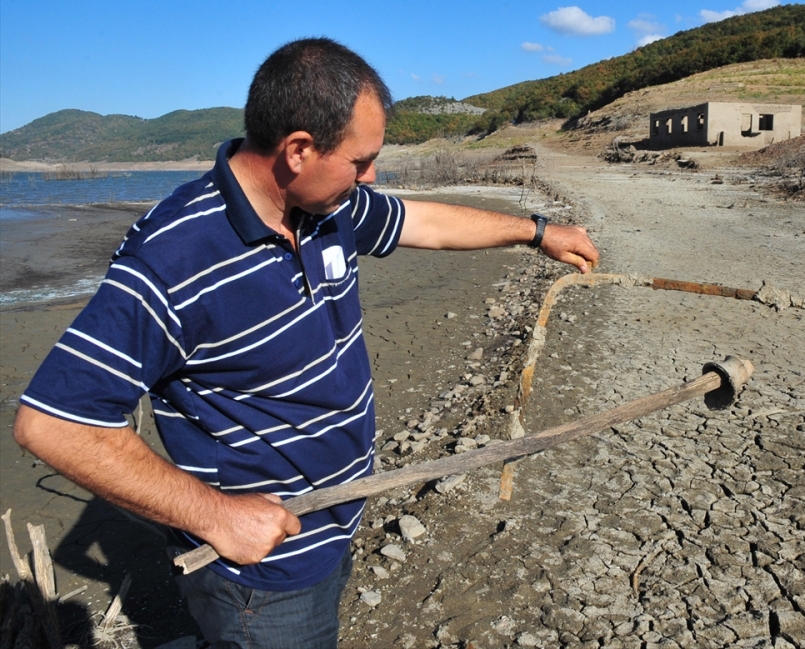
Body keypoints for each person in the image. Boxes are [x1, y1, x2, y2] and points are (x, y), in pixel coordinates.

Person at [12, 38, 599, 647]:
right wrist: (217, 516)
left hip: (338, 516)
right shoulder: (173, 258)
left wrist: (537, 232)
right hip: (261, 575)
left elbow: (420, 221)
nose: (370, 176)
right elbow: (55, 423)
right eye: (361, 160)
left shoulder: (324, 206)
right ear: (297, 150)